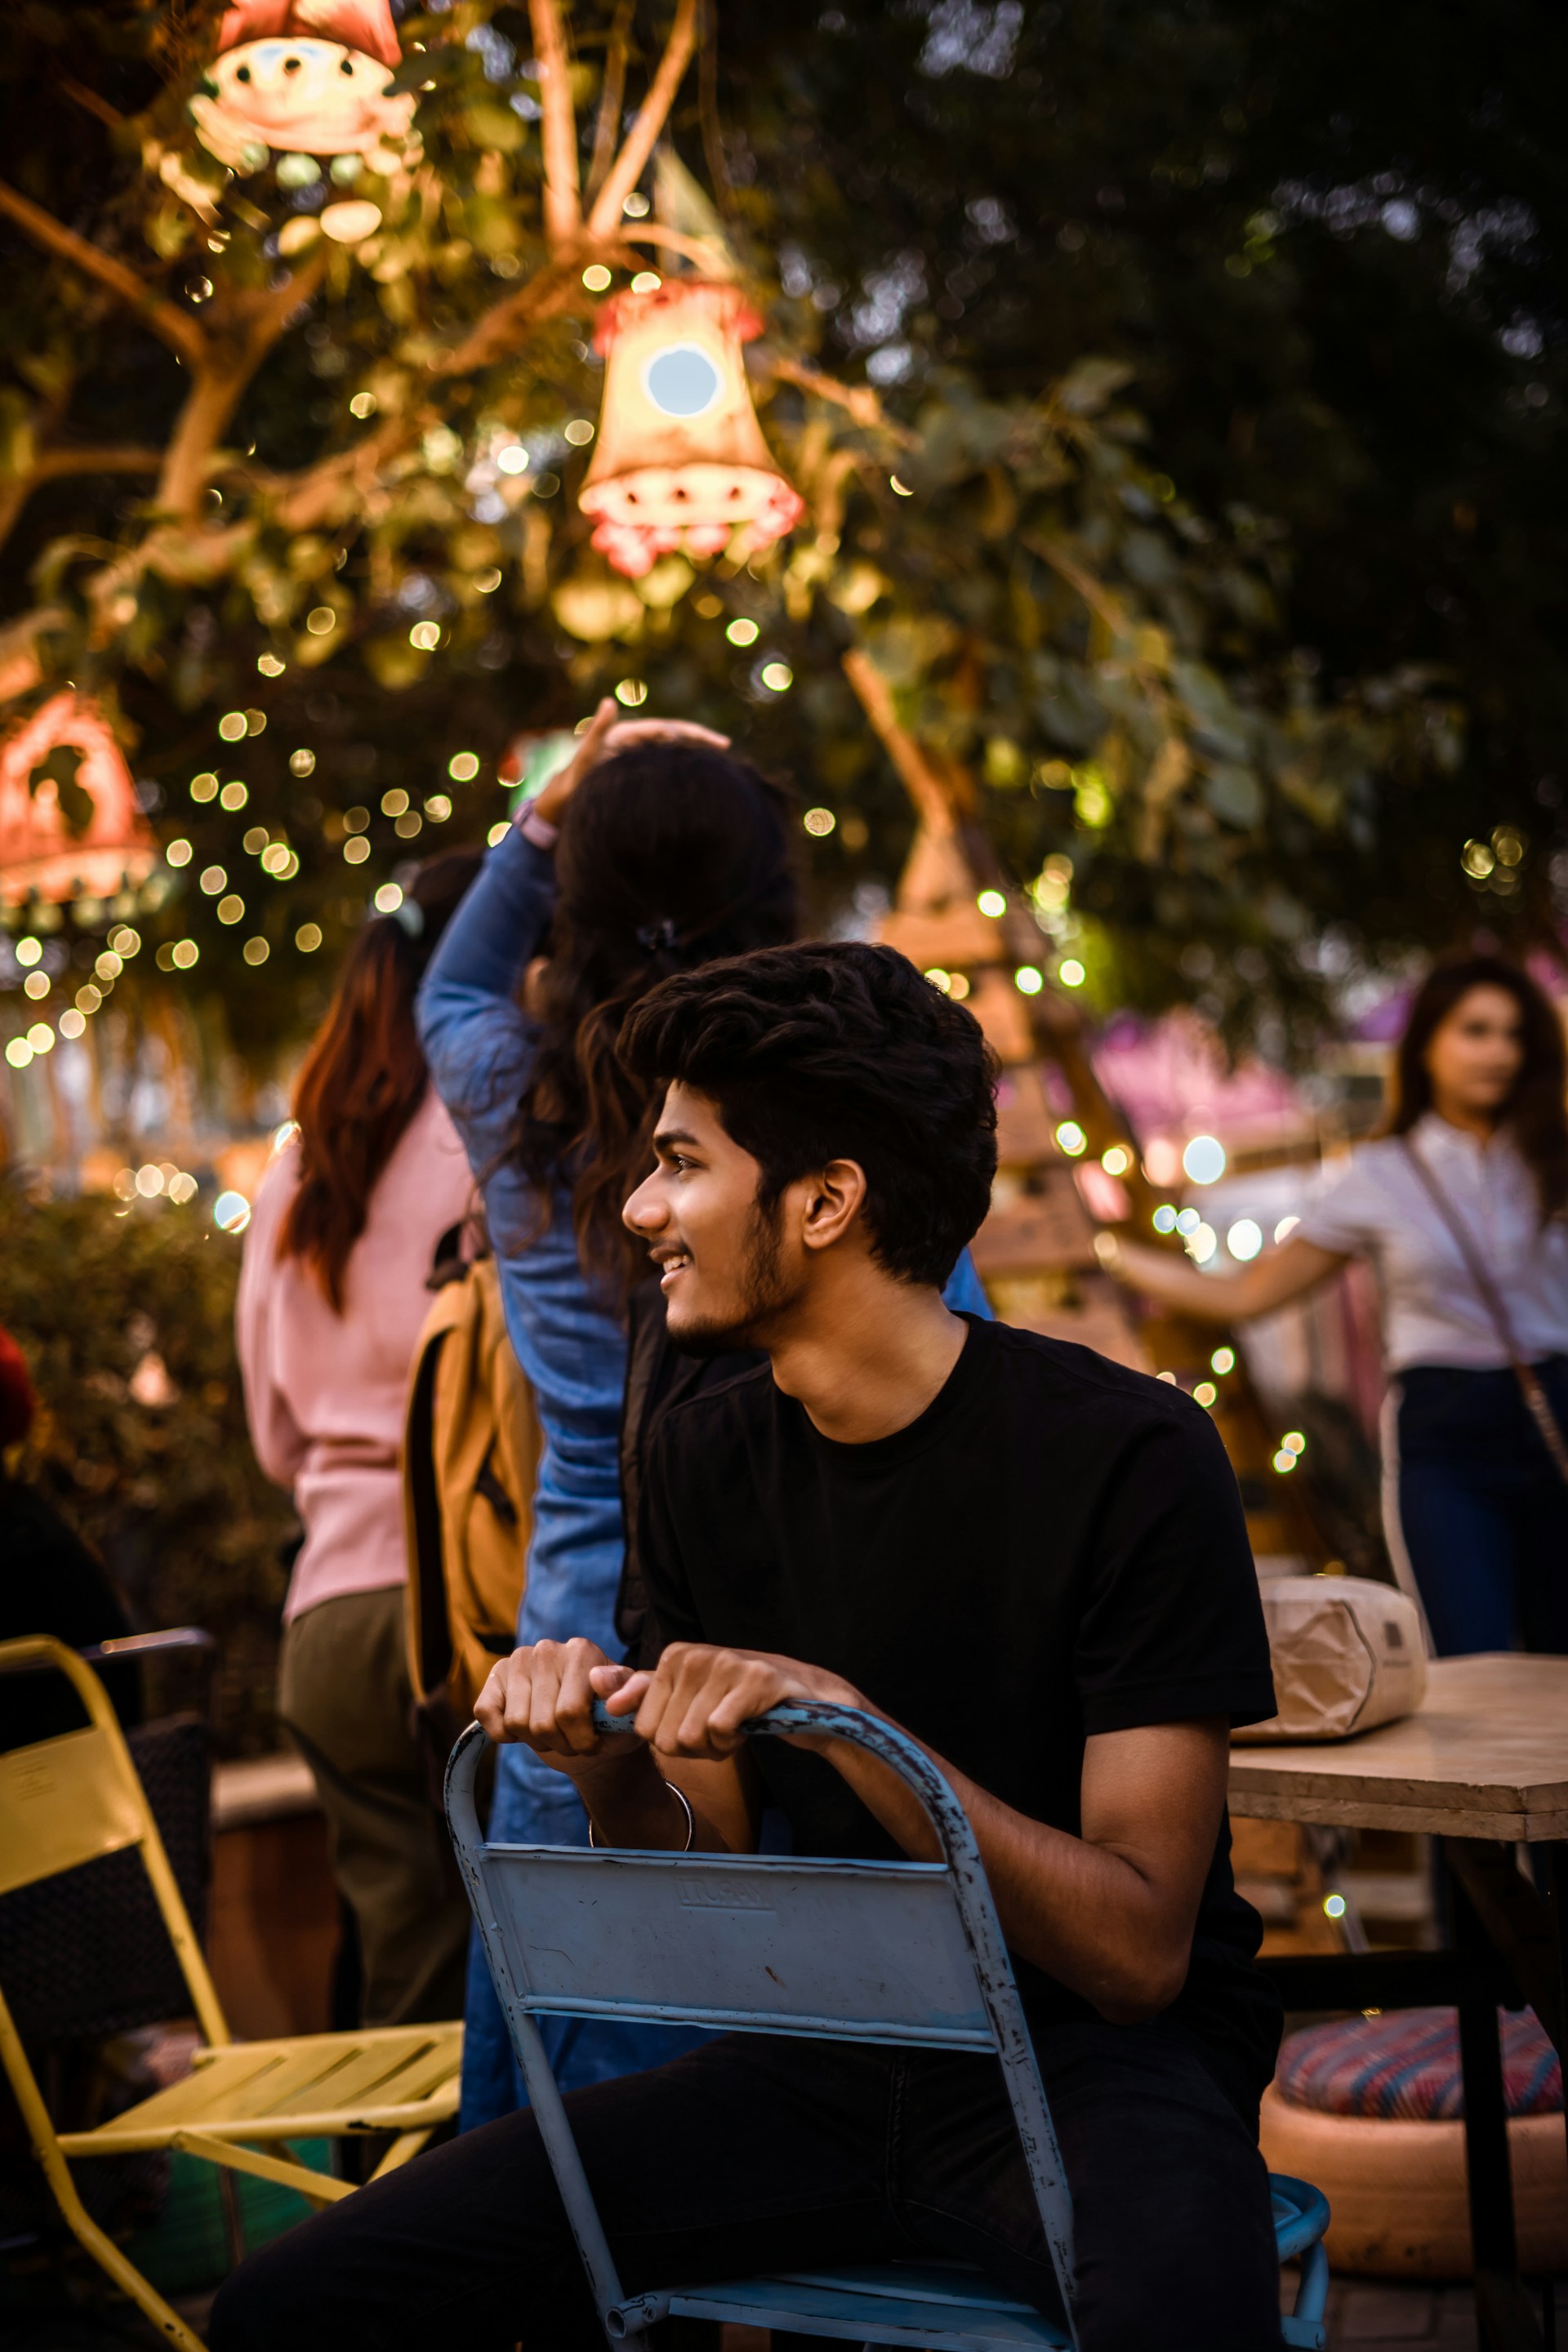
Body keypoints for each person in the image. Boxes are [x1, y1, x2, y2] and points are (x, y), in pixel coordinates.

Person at [212, 940, 1283, 2352]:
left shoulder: (1129, 1454)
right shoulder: (701, 1455)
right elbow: (693, 1871)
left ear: (827, 1200)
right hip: (818, 2069)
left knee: (1181, 2322)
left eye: (680, 1163)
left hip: (1094, 2074)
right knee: (300, 2304)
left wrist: (856, 1730)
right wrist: (595, 1759)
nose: (641, 1208)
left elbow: (1138, 1952)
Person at [414, 703, 991, 2126]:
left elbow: (453, 984)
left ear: (576, 895)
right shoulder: (828, 1098)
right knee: (859, 2015)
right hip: (833, 1588)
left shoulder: (516, 1089)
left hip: (585, 1616)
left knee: (596, 2024)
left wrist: (554, 804)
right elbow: (956, 1329)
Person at [1101, 954, 1568, 1657]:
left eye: (1514, 1034)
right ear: (1428, 1045)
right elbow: (1249, 1294)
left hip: (1557, 1410)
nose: (1499, 1052)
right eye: (1476, 1030)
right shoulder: (1380, 1174)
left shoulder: (1552, 1155)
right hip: (1448, 1434)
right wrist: (1105, 1254)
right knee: (1476, 1671)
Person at [236, 850, 482, 2027]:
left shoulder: (295, 1167)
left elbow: (274, 1433)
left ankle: (398, 2202)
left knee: (407, 1980)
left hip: (326, 1620)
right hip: (466, 1601)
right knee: (523, 1964)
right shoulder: (487, 1133)